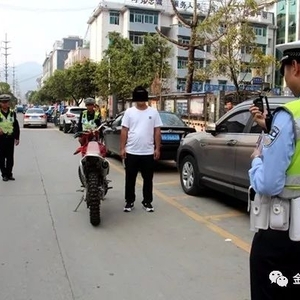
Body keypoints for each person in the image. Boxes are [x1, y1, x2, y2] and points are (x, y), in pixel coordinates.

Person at [248, 40, 300, 299]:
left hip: (284, 232)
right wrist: (268, 127)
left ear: (296, 67)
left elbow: (269, 183)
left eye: (284, 71)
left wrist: (258, 160)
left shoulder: (290, 114)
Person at [120, 86, 163, 212]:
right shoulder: (129, 112)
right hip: (132, 151)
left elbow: (157, 131)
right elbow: (124, 130)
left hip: (148, 152)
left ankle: (147, 202)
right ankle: (129, 202)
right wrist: (122, 148)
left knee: (148, 179)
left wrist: (157, 148)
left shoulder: (153, 112)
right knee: (130, 179)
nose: (140, 100)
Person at [0, 94, 20, 181]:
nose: (4, 104)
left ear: (8, 103)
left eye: (6, 102)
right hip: (0, 138)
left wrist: (17, 137)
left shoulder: (12, 113)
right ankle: (4, 174)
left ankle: (9, 174)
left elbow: (16, 126)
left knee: (10, 158)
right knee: (1, 158)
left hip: (10, 138)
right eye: (3, 102)